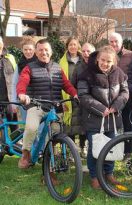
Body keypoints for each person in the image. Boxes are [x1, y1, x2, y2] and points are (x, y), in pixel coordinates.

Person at [16, 38, 78, 169]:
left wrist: (75, 94)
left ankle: (49, 166)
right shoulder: (29, 68)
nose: (43, 52)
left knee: (54, 136)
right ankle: (26, 152)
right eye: (40, 50)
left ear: (51, 51)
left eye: (46, 50)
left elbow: (66, 84)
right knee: (32, 127)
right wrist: (22, 94)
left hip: (54, 107)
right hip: (36, 105)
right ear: (36, 53)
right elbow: (22, 82)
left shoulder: (57, 68)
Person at [78, 45, 129, 189]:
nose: (105, 64)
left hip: (112, 119)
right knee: (95, 149)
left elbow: (125, 92)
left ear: (114, 62)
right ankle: (94, 176)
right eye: (103, 60)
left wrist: (116, 106)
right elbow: (83, 96)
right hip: (93, 119)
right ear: (97, 60)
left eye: (108, 61)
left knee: (111, 147)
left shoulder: (119, 73)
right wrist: (100, 109)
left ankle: (109, 173)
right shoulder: (87, 74)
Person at [59, 36, 86, 155]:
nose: (72, 47)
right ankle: (71, 150)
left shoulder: (84, 60)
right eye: (70, 45)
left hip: (82, 96)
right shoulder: (62, 62)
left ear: (78, 46)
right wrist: (62, 100)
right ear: (67, 47)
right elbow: (59, 82)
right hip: (68, 97)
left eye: (75, 44)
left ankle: (82, 147)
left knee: (82, 123)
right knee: (70, 125)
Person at [71, 42, 96, 158]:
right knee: (81, 126)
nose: (86, 54)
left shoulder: (98, 64)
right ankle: (82, 147)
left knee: (91, 127)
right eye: (84, 51)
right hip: (81, 101)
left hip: (95, 101)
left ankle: (91, 148)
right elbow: (73, 83)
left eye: (89, 51)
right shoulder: (78, 67)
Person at [108, 32, 132, 133]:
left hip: (126, 95)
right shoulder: (105, 55)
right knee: (112, 126)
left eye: (116, 41)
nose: (114, 44)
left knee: (128, 125)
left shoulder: (130, 55)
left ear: (121, 42)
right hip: (110, 96)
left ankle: (128, 148)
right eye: (111, 42)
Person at [12, 37, 37, 121]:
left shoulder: (40, 62)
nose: (28, 52)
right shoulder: (19, 65)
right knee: (26, 126)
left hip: (38, 99)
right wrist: (14, 102)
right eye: (25, 49)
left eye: (30, 49)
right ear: (22, 50)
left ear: (34, 49)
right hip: (24, 100)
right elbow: (14, 83)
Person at [0, 36, 18, 132]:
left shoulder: (10, 58)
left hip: (10, 100)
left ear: (2, 44)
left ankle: (15, 146)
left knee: (14, 127)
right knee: (2, 129)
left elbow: (16, 77)